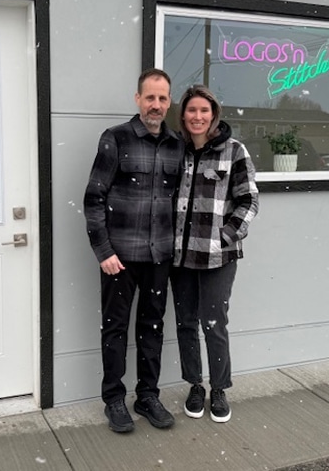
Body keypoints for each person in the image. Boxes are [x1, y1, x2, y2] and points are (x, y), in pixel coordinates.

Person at [83, 68, 184, 433]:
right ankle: (114, 399)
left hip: (159, 258)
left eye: (162, 98)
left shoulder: (177, 145)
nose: (156, 105)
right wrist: (103, 250)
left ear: (168, 101)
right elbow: (94, 198)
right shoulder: (115, 139)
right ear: (138, 99)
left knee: (152, 328)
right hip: (119, 259)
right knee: (115, 329)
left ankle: (147, 396)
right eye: (150, 97)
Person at [170, 85, 259, 423]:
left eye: (204, 111)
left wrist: (225, 236)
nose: (197, 117)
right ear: (183, 116)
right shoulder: (176, 152)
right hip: (180, 258)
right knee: (185, 324)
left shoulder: (234, 151)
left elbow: (250, 200)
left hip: (218, 257)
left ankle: (219, 388)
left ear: (214, 115)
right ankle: (195, 384)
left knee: (214, 323)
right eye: (191, 110)